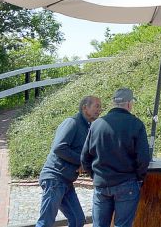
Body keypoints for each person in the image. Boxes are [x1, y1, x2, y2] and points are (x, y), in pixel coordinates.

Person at [80, 88, 150, 227]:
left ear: (113, 103)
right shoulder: (136, 124)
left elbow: (84, 157)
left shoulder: (97, 124)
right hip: (127, 182)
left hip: (101, 183)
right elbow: (143, 159)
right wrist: (139, 177)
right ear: (129, 104)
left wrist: (94, 175)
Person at [35, 95, 101, 227]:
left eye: (100, 107)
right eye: (97, 106)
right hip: (54, 178)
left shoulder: (88, 127)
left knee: (78, 220)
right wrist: (81, 161)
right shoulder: (72, 122)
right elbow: (59, 148)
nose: (100, 110)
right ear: (85, 108)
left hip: (66, 181)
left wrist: (85, 163)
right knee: (45, 223)